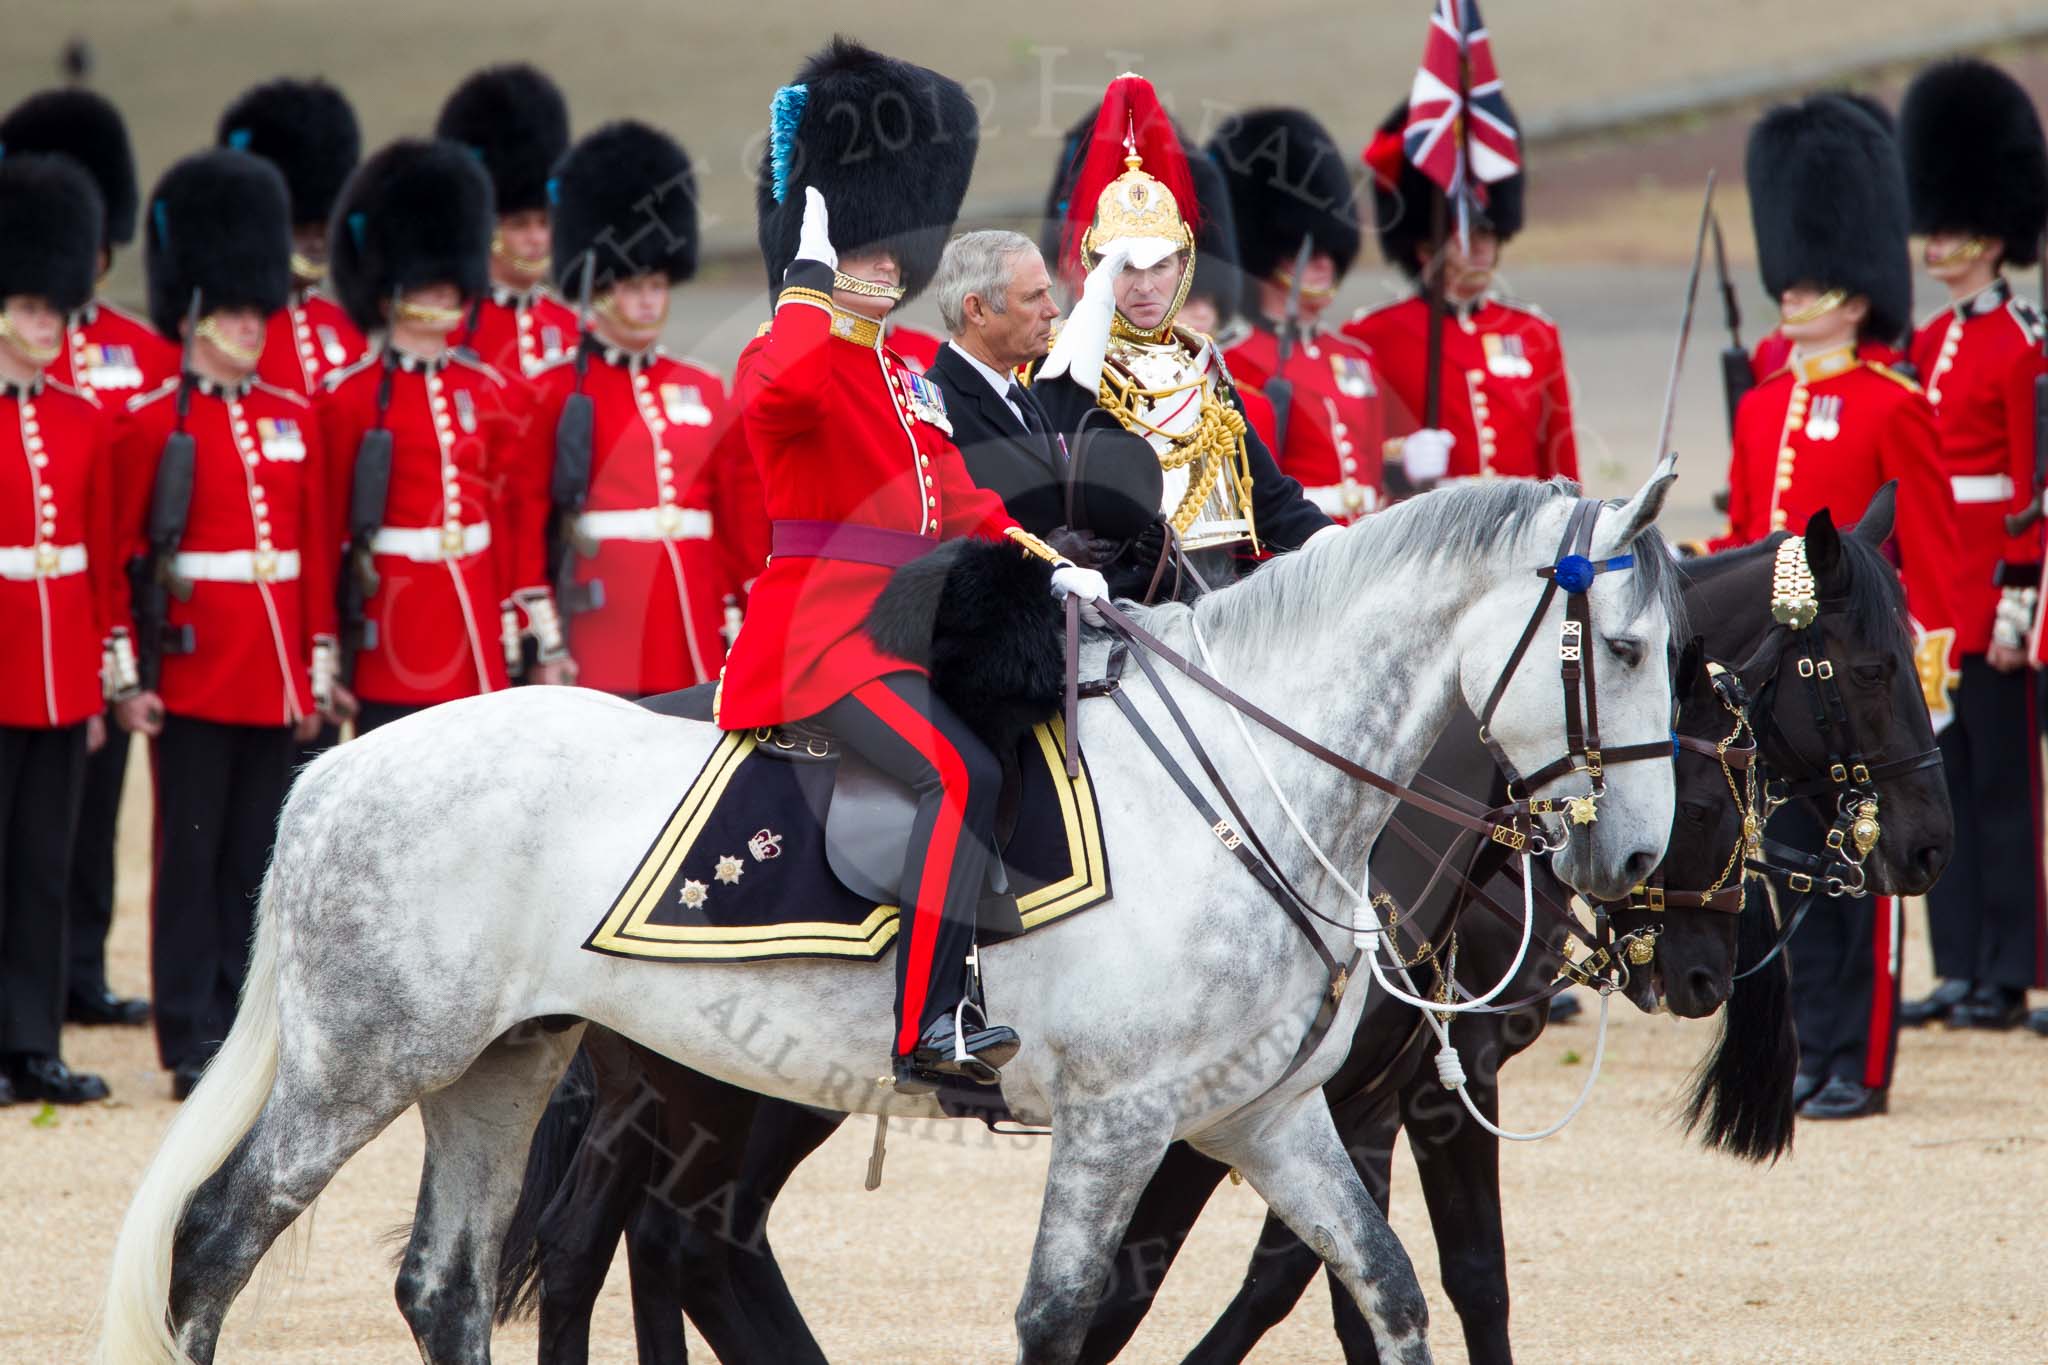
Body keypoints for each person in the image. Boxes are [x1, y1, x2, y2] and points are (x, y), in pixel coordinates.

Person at [721, 39, 1105, 1092]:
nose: (886, 271)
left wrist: (1046, 565)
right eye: (866, 251)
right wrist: (804, 282)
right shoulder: (787, 351)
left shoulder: (906, 373)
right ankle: (926, 1022)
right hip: (822, 638)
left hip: (909, 626)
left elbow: (961, 500)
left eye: (898, 256)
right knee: (956, 772)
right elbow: (782, 404)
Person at [1711, 95, 1963, 1121]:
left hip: (1859, 660)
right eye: (1789, 278)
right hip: (1784, 666)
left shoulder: (1891, 403)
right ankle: (1810, 1043)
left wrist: (1928, 674)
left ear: (1855, 295)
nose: (1793, 292)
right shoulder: (1761, 403)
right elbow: (1750, 536)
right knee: (1788, 860)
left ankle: (1858, 1060)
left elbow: (1932, 544)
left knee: (1860, 863)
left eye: (1811, 280)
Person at [112, 150, 341, 1100]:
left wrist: (317, 660)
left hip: (275, 670)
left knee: (260, 854)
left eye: (259, 313)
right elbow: (128, 553)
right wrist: (131, 671)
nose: (252, 328)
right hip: (199, 668)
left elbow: (313, 547)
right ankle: (187, 1034)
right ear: (197, 310)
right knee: (191, 850)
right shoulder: (148, 423)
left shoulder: (291, 415)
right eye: (236, 313)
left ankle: (248, 1023)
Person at [1027, 73, 1335, 604]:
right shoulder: (1065, 367)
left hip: (1226, 605)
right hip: (1124, 614)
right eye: (1125, 268)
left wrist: (1347, 548)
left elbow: (1271, 501)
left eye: (1160, 266)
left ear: (1185, 264)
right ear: (1095, 267)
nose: (1145, 286)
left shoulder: (1203, 362)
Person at [1891, 60, 2048, 1031]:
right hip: (1933, 588)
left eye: (1948, 229)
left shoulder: (2023, 341)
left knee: (2000, 784)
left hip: (1989, 582)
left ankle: (2011, 964)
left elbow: (2032, 490)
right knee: (1937, 781)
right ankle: (1956, 965)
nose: (1933, 244)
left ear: (1991, 236)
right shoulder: (1925, 340)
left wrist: (2014, 602)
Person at [318, 138, 559, 734]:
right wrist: (326, 650)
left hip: (477, 619)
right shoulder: (346, 397)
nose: (442, 295)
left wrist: (527, 615)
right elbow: (327, 534)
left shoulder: (488, 388)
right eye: (427, 285)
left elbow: (509, 512)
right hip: (395, 629)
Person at [526, 119, 769, 696]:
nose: (648, 300)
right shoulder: (554, 389)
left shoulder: (705, 387)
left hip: (696, 616)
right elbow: (530, 517)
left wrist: (751, 607)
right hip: (603, 617)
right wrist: (544, 637)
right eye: (633, 286)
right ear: (601, 288)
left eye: (657, 285)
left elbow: (739, 516)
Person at [0, 153, 119, 1104]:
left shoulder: (82, 419)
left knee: (44, 865)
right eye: (32, 311)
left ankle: (32, 1042)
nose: (49, 328)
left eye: (56, 311)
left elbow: (99, 553)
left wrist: (99, 677)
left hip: (60, 673)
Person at [1346, 99, 1578, 486]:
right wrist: (1401, 460)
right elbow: (1353, 460)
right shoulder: (1372, 338)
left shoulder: (1535, 333)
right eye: (1467, 236)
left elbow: (1562, 467)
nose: (1482, 249)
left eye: (1488, 234)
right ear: (1425, 247)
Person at [1210, 106, 1409, 522]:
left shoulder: (1356, 359)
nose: (1324, 263)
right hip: (1303, 554)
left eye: (1328, 250)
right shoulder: (1233, 360)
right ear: (1266, 252)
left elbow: (1382, 474)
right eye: (1306, 249)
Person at [218, 77, 369, 399]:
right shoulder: (221, 332)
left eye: (322, 229)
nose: (316, 244)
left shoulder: (347, 327)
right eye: (300, 230)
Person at [436, 64, 578, 381]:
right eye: (519, 225)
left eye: (544, 223)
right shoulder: (447, 326)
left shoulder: (574, 329)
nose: (537, 239)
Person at [924, 231, 1065, 532]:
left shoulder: (1014, 390)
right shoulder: (937, 408)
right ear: (976, 309)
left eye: (1047, 292)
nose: (1053, 309)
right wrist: (1049, 555)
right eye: (1033, 297)